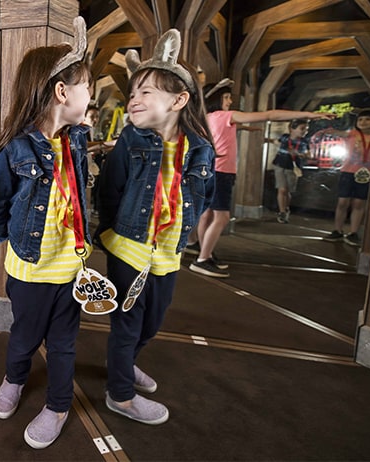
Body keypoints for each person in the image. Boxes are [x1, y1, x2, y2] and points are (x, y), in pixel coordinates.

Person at [0, 17, 92, 449]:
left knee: (64, 345)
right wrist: (15, 240)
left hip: (72, 272)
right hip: (28, 271)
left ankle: (59, 404)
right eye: (86, 87)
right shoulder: (15, 150)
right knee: (23, 337)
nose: (90, 96)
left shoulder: (77, 141)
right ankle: (14, 378)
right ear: (62, 92)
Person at [96, 30, 215, 426]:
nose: (135, 99)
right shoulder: (131, 140)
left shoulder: (200, 149)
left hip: (168, 256)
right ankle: (120, 396)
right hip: (129, 251)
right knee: (127, 326)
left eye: (147, 92)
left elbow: (204, 194)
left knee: (152, 324)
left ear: (179, 100)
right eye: (133, 92)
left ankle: (126, 364)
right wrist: (115, 237)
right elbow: (109, 192)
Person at [188, 80, 335, 278]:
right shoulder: (226, 116)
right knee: (221, 217)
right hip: (221, 172)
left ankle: (205, 252)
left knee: (207, 215)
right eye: (227, 97)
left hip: (208, 170)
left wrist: (246, 130)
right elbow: (269, 115)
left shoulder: (206, 118)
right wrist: (309, 114)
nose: (230, 101)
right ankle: (203, 260)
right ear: (216, 98)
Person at [322, 108, 370, 246]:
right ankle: (337, 230)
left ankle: (353, 232)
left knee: (359, 203)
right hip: (347, 172)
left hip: (366, 173)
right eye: (360, 119)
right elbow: (339, 132)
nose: (363, 122)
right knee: (342, 202)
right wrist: (331, 126)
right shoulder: (352, 134)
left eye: (368, 119)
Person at [271, 119, 310, 224]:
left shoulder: (304, 142)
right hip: (279, 164)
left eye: (306, 129)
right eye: (302, 129)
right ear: (292, 129)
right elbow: (277, 142)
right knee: (281, 189)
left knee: (287, 190)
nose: (304, 131)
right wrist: (269, 140)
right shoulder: (284, 137)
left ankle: (286, 208)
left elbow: (307, 154)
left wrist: (298, 153)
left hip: (293, 167)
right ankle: (282, 211)